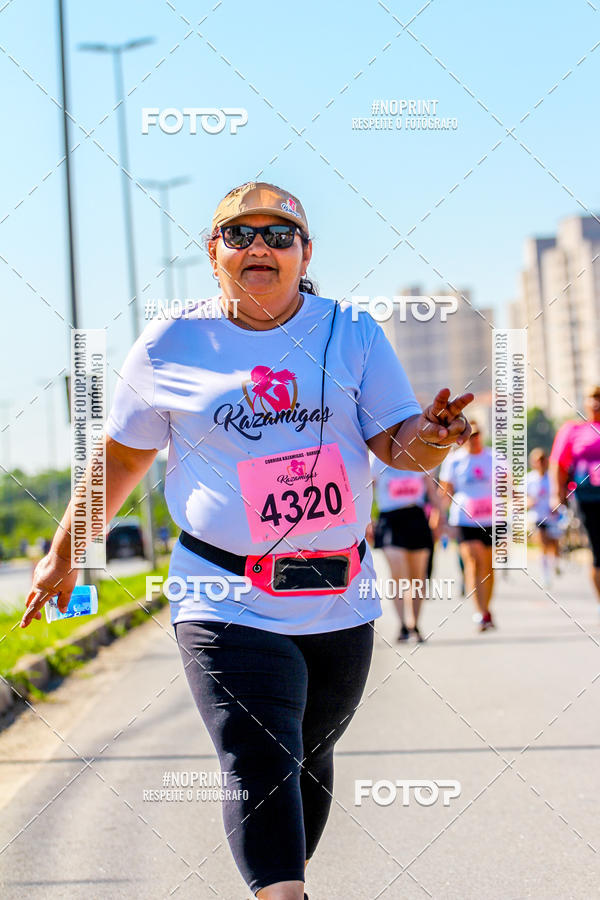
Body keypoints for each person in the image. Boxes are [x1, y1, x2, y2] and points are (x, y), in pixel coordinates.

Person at [21, 181, 473, 900]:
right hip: (222, 590)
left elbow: (399, 444)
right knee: (257, 755)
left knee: (308, 759)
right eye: (239, 235)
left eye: (277, 235)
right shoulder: (172, 341)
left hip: (337, 593)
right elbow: (122, 460)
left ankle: (276, 883)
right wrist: (64, 552)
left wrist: (438, 439)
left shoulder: (350, 331)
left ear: (305, 253)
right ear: (213, 254)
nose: (258, 246)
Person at [369, 459, 437, 642]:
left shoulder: (419, 451)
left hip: (416, 517)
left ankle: (414, 623)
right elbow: (368, 489)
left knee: (417, 577)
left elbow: (432, 491)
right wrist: (366, 521)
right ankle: (402, 625)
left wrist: (442, 519)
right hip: (389, 520)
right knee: (398, 574)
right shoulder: (376, 458)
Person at [439, 421, 496, 632]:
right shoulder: (454, 461)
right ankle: (480, 612)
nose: (475, 438)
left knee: (488, 568)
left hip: (490, 520)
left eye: (478, 434)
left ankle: (487, 608)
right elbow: (445, 492)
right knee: (473, 561)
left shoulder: (494, 458)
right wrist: (439, 517)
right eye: (470, 435)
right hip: (464, 520)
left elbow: (507, 487)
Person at [549, 385, 600, 607]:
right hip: (587, 498)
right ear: (585, 402)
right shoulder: (573, 430)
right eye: (592, 397)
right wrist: (556, 493)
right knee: (598, 549)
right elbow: (558, 464)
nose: (596, 402)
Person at [527, 448, 562, 586]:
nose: (540, 463)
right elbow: (522, 497)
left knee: (554, 545)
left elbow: (560, 493)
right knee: (543, 544)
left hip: (553, 517)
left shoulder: (552, 477)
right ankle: (545, 574)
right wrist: (528, 502)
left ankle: (555, 563)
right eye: (537, 460)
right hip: (537, 516)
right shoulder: (529, 479)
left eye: (542, 459)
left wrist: (557, 503)